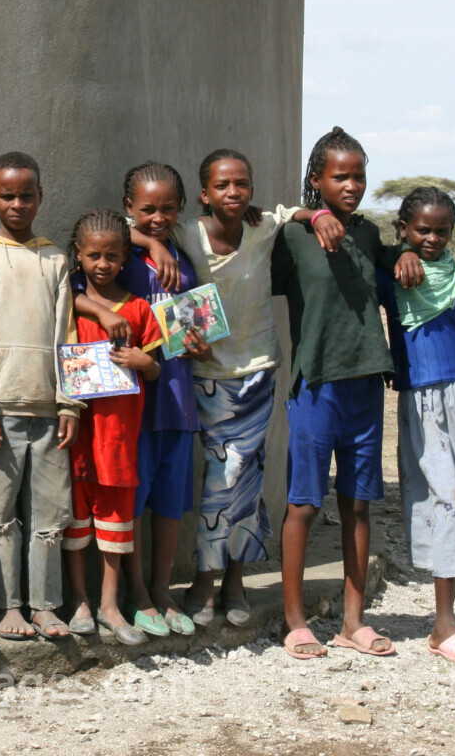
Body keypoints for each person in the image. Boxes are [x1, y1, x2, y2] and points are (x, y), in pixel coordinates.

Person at [135, 150, 340, 629]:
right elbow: (129, 226)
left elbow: (293, 213)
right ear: (204, 194)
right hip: (207, 375)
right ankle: (208, 578)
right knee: (221, 476)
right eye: (223, 186)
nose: (233, 193)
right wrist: (156, 246)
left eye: (242, 184)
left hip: (258, 370)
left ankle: (234, 579)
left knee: (247, 473)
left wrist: (321, 213)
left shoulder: (263, 228)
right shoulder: (186, 235)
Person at [270, 127, 423, 659]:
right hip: (316, 386)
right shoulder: (294, 237)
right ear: (317, 180)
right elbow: (270, 222)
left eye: (359, 175)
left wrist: (402, 255)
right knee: (304, 504)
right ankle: (295, 621)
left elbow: (389, 261)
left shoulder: (367, 236)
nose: (352, 185)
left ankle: (354, 621)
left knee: (359, 506)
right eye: (341, 176)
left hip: (365, 387)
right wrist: (306, 214)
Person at [72, 162, 201, 636]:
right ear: (130, 210)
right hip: (130, 405)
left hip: (177, 393)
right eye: (147, 211)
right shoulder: (123, 255)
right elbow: (74, 290)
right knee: (133, 500)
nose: (158, 218)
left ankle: (162, 589)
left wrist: (198, 341)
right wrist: (147, 243)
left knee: (169, 502)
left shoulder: (182, 254)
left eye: (168, 209)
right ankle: (138, 592)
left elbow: (188, 323)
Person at [378, 186, 455, 666]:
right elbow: (366, 251)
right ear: (404, 230)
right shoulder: (393, 277)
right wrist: (401, 253)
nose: (432, 238)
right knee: (444, 499)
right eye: (422, 230)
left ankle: (444, 620)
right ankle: (445, 624)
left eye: (441, 230)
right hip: (423, 399)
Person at [0, 151, 82, 641]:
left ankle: (45, 605)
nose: (17, 204)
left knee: (51, 512)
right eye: (7, 195)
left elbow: (67, 333)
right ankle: (5, 605)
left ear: (40, 197)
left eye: (26, 196)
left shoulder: (54, 258)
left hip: (50, 409)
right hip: (0, 409)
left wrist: (71, 401)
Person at [60, 209, 164, 646]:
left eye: (112, 256)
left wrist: (145, 364)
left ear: (125, 259)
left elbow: (158, 369)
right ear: (79, 257)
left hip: (120, 438)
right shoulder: (70, 304)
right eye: (94, 256)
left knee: (116, 521)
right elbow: (66, 294)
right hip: (78, 436)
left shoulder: (140, 309)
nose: (102, 264)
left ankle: (109, 604)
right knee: (77, 519)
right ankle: (78, 601)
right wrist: (96, 307)